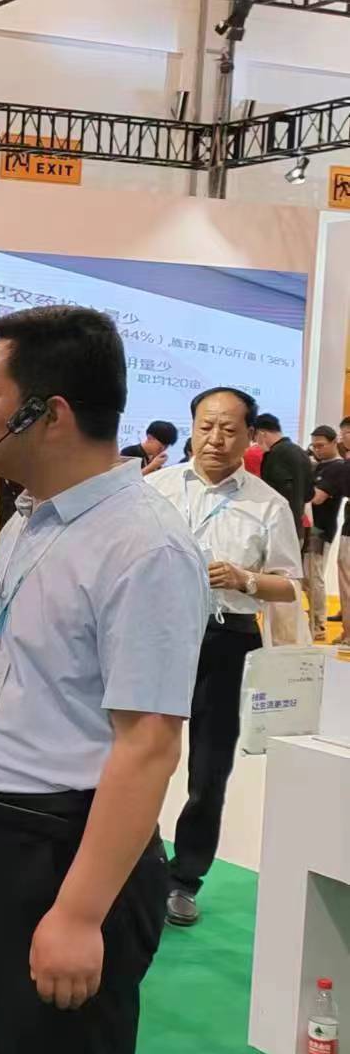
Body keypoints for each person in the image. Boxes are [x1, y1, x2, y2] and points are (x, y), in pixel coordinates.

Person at [0, 305, 209, 1054]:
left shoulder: (143, 546)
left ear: (46, 413)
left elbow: (149, 744)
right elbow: (12, 688)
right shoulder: (28, 522)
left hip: (62, 855)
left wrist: (81, 913)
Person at [150, 390, 303, 928]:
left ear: (250, 435)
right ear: (192, 428)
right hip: (157, 634)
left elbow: (289, 584)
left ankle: (184, 879)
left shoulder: (268, 504)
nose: (215, 439)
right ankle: (137, 866)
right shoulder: (156, 489)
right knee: (138, 753)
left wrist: (245, 580)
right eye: (206, 427)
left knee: (209, 767)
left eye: (229, 429)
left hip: (227, 637)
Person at [304, 426, 345, 642]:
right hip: (310, 528)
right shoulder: (318, 466)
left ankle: (318, 623)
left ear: (333, 442)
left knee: (314, 576)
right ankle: (314, 619)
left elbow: (317, 498)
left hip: (320, 530)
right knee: (306, 577)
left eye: (321, 445)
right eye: (314, 446)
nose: (317, 450)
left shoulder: (337, 468)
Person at [314, 429, 350, 644]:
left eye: (347, 432)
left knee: (321, 576)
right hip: (342, 529)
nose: (344, 437)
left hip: (327, 530)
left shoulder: (340, 467)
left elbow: (318, 497)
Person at [253, 413, 311, 544]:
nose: (255, 443)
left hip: (278, 530)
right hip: (297, 528)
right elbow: (309, 494)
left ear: (261, 434)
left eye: (255, 438)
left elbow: (269, 494)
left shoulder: (273, 456)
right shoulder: (302, 453)